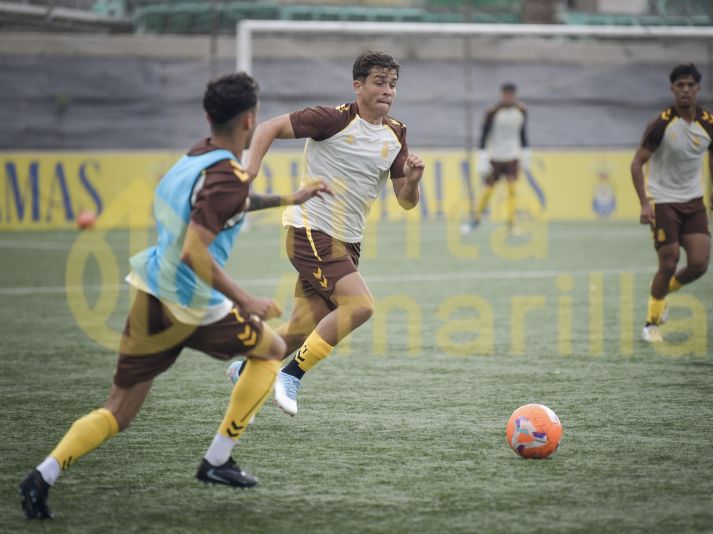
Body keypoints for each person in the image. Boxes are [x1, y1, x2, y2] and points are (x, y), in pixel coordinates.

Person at [18, 72, 331, 519]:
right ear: (250, 119)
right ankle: (218, 460)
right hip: (191, 302)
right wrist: (246, 299)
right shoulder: (229, 178)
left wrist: (288, 197)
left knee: (118, 412)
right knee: (272, 350)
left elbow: (224, 203)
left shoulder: (196, 157)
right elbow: (194, 250)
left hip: (150, 290)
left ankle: (41, 477)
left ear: (208, 116)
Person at [227, 50, 425, 417]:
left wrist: (412, 182)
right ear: (358, 86)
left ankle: (247, 368)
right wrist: (248, 172)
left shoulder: (396, 134)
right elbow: (267, 127)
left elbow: (406, 202)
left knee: (304, 327)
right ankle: (290, 374)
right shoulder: (330, 119)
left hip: (347, 242)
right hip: (311, 230)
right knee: (361, 306)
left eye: (393, 84)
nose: (388, 91)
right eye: (380, 82)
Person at [631, 63, 713, 343]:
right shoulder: (660, 124)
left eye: (690, 85)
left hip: (693, 201)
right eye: (680, 86)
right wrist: (645, 204)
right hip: (663, 201)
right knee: (669, 260)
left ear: (698, 89)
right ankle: (651, 323)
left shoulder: (709, 122)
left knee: (698, 264)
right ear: (672, 90)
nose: (685, 91)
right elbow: (637, 164)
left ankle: (664, 289)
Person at [462, 82, 531, 236]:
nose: (508, 97)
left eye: (511, 94)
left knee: (513, 190)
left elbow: (523, 134)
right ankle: (476, 220)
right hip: (495, 158)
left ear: (515, 95)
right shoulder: (492, 112)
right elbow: (484, 136)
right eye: (506, 94)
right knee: (488, 191)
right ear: (502, 95)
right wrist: (483, 158)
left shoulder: (522, 111)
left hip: (512, 157)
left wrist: (526, 154)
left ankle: (511, 225)